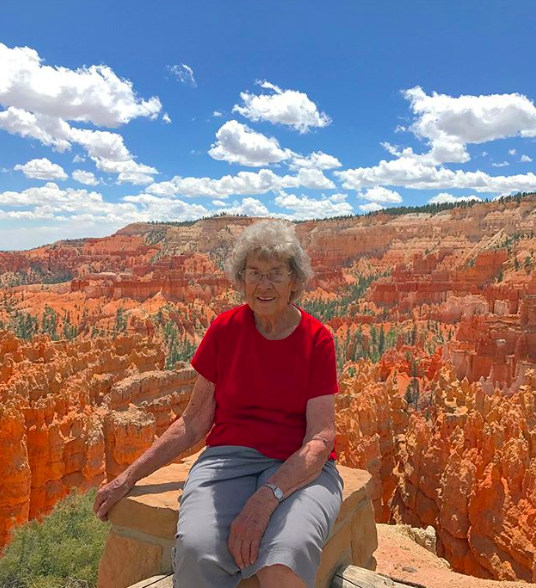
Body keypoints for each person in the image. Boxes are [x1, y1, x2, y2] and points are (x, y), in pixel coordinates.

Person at [93, 220, 343, 588]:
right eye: (254, 273)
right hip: (228, 458)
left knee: (284, 559)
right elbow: (193, 422)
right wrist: (127, 478)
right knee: (196, 551)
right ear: (241, 280)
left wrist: (267, 495)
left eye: (275, 273)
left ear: (295, 280)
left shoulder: (317, 339)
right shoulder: (224, 330)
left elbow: (321, 437)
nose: (264, 284)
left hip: (300, 468)